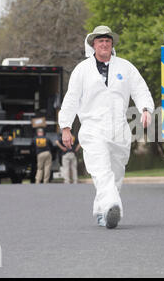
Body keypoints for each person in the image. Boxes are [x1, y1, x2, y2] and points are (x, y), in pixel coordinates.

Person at [58, 25, 154, 229]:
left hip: (119, 128)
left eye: (107, 40)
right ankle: (112, 205)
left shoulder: (125, 67)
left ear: (112, 44)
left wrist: (146, 109)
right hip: (93, 128)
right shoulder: (82, 70)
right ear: (93, 44)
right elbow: (71, 99)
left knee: (116, 173)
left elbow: (140, 89)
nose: (104, 43)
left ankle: (102, 211)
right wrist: (66, 127)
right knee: (101, 171)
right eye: (100, 40)